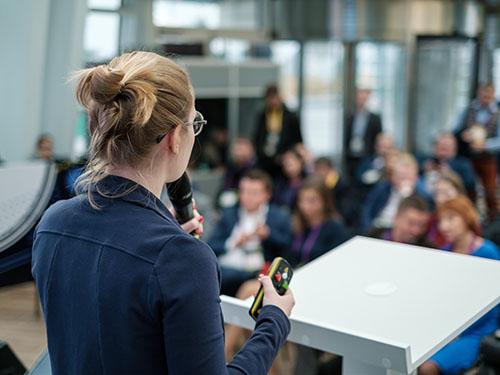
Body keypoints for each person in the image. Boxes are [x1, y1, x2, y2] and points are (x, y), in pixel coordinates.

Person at [32, 51, 294, 375]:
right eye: (194, 123)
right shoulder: (182, 260)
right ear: (173, 137)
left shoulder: (52, 224)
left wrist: (168, 250)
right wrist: (274, 321)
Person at [224, 177, 349, 374]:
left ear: (324, 202)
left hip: (316, 285)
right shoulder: (300, 226)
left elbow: (336, 266)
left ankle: (226, 351)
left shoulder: (334, 228)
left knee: (251, 293)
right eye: (302, 200)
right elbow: (287, 255)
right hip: (296, 280)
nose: (306, 206)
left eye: (312, 200)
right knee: (252, 296)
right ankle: (258, 364)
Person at [419, 196, 500, 375]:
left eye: (451, 218)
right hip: (444, 329)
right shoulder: (445, 253)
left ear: (466, 217)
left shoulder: (488, 253)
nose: (443, 226)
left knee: (427, 368)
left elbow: (494, 306)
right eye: (441, 220)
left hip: (477, 331)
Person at [208, 169, 292, 296]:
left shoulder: (278, 216)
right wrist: (233, 241)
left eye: (254, 193)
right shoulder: (229, 213)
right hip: (227, 268)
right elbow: (211, 245)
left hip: (259, 271)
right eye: (244, 191)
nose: (247, 197)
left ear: (267, 195)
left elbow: (288, 247)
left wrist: (268, 235)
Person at [455, 83, 500, 221]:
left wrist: (485, 145)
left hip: (488, 158)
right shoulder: (468, 109)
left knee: (490, 191)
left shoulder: (497, 113)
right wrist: (464, 135)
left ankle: (493, 220)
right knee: (469, 188)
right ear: (478, 93)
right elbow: (456, 129)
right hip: (468, 157)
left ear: (493, 94)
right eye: (483, 93)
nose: (485, 97)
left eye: (488, 94)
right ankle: (470, 217)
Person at [361, 153, 432, 232]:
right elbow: (368, 209)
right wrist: (368, 229)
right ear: (393, 177)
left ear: (415, 177)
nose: (404, 180)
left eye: (407, 177)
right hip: (379, 228)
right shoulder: (384, 187)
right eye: (400, 176)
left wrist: (408, 197)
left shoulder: (422, 196)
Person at [254, 84, 303, 175]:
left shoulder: (290, 116)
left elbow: (297, 139)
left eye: (274, 97)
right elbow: (258, 136)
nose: (272, 101)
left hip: (284, 157)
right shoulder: (262, 115)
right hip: (265, 158)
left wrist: (287, 154)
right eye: (269, 98)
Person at [343, 88, 383, 180]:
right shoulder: (349, 116)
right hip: (351, 155)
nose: (361, 99)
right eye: (359, 96)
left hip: (367, 155)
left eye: (364, 97)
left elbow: (378, 138)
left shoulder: (375, 118)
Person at [420, 133, 476, 198]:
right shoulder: (426, 161)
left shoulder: (462, 163)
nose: (443, 150)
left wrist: (450, 173)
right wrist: (423, 170)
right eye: (440, 146)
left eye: (446, 146)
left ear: (454, 148)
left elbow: (470, 183)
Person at [426, 171, 467, 248]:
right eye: (437, 193)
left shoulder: (467, 221)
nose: (440, 199)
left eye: (446, 193)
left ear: (459, 194)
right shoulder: (431, 220)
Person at [217, 137, 256, 208]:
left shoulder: (255, 168)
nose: (238, 153)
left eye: (241, 149)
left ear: (250, 150)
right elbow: (224, 186)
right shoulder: (231, 166)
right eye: (236, 149)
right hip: (230, 199)